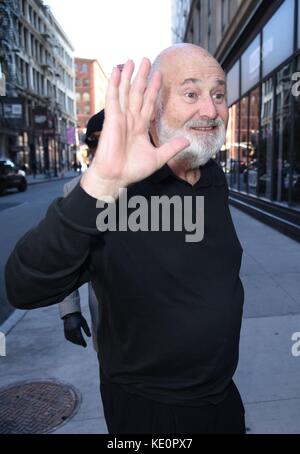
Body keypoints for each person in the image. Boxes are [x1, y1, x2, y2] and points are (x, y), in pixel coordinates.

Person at [5, 44, 245, 434]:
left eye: (218, 94)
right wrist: (99, 185)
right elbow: (24, 287)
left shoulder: (213, 177)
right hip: (150, 412)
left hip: (221, 398)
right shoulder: (115, 195)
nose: (210, 109)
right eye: (190, 93)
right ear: (153, 108)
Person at [59, 110, 105, 351]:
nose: (101, 147)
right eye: (94, 141)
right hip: (106, 312)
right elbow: (67, 256)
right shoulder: (74, 190)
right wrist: (70, 311)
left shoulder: (150, 183)